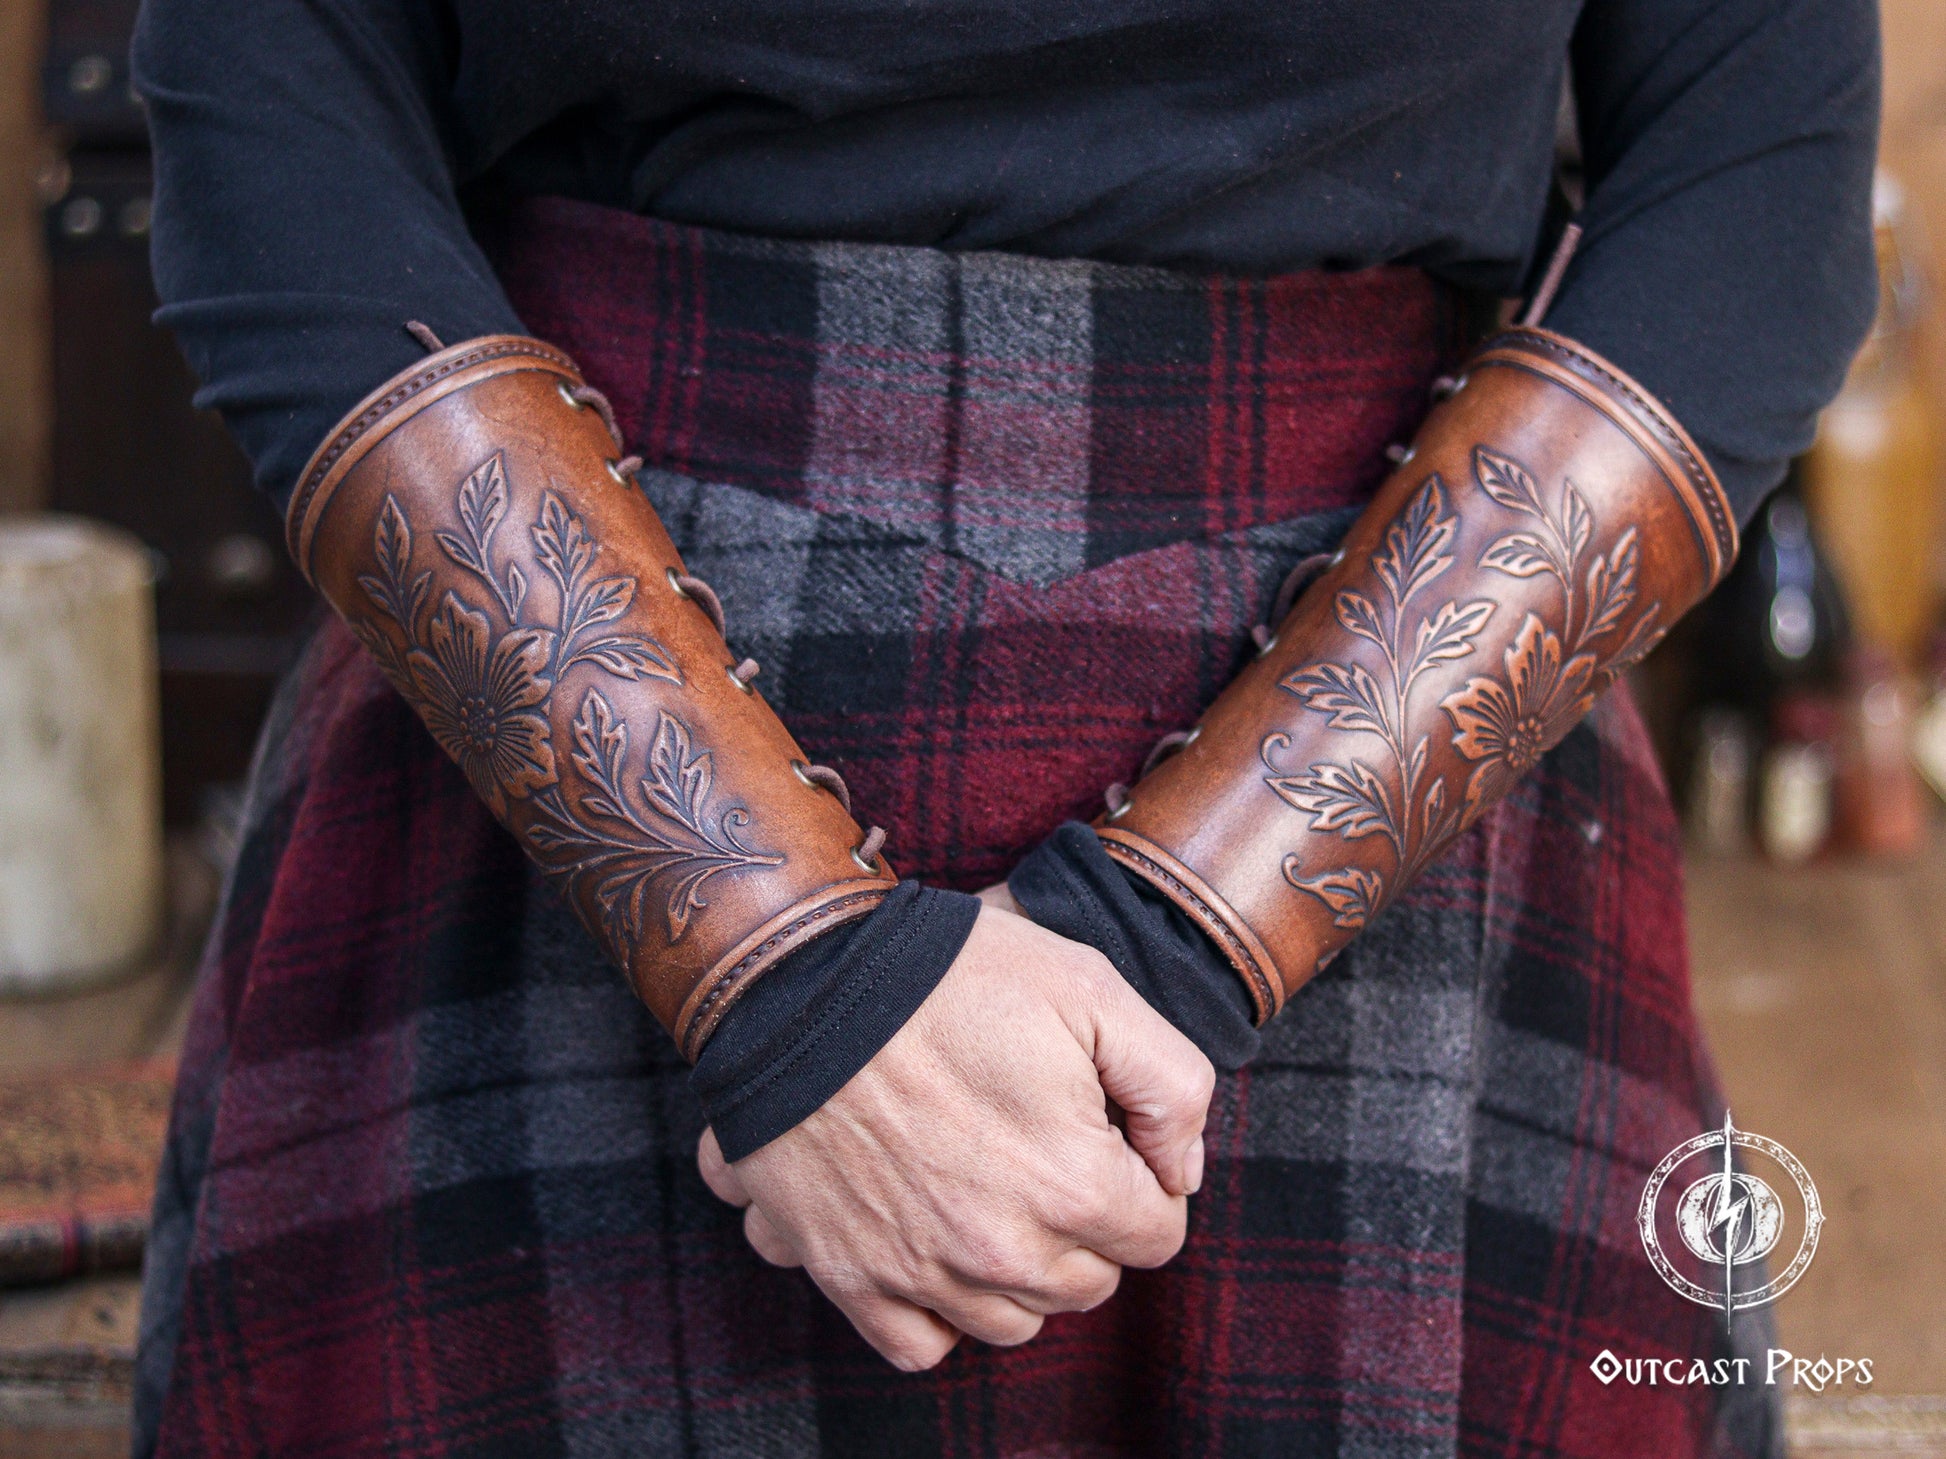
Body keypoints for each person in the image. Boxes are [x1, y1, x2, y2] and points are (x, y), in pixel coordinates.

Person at [129, 0, 1878, 1453]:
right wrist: (779, 965)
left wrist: (1171, 934)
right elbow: (277, 114)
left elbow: (1749, 195)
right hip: (560, 772)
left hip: (1398, 799)